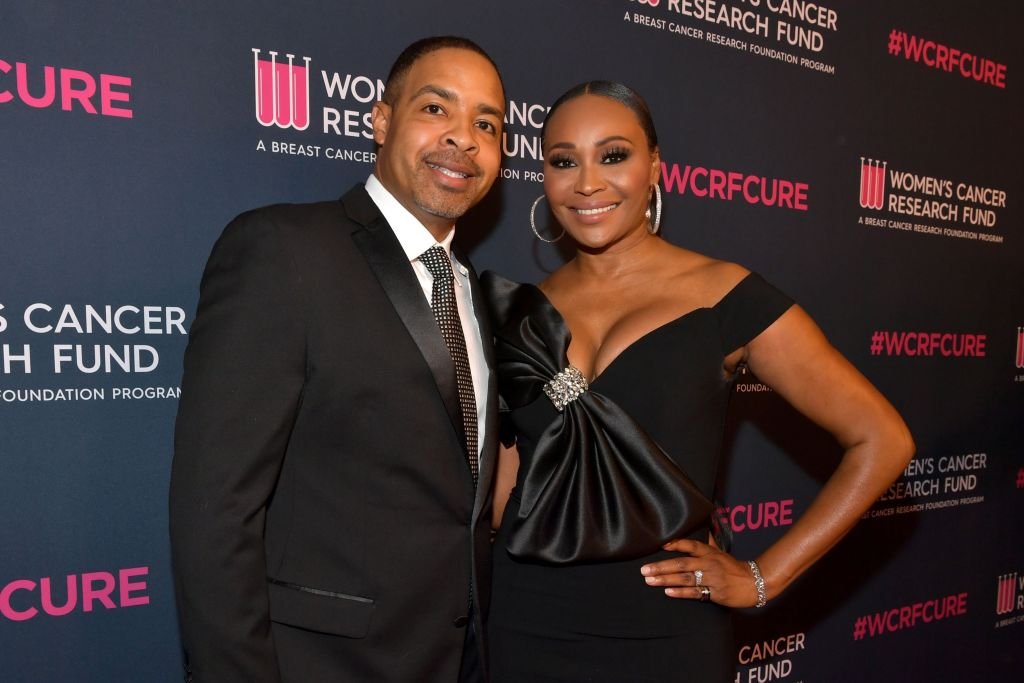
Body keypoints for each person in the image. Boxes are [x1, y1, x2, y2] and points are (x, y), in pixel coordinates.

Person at [482, 81, 914, 682]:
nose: (587, 182)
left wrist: (764, 577)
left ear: (656, 166)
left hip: (667, 628)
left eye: (613, 155)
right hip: (525, 622)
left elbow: (882, 439)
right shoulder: (512, 311)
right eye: (563, 161)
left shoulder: (724, 295)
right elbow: (505, 485)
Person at [169, 36, 505, 682]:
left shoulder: (478, 293)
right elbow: (216, 512)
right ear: (380, 119)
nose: (463, 138)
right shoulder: (282, 250)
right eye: (436, 109)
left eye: (486, 124)